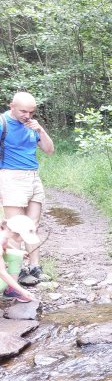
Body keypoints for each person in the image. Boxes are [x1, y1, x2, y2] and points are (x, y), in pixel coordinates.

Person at [0, 92, 55, 286]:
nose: (27, 115)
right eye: (23, 111)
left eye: (31, 112)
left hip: (33, 176)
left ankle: (35, 267)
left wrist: (40, 130)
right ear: (11, 106)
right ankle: (18, 270)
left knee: (32, 225)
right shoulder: (3, 123)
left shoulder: (32, 125)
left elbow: (49, 150)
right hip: (10, 176)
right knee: (15, 228)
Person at [0, 214, 40, 303]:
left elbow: (4, 245)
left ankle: (11, 290)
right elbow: (2, 273)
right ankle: (12, 287)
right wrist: (23, 291)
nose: (23, 240)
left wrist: (17, 251)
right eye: (23, 237)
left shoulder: (3, 234)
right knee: (4, 282)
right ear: (15, 232)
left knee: (18, 255)